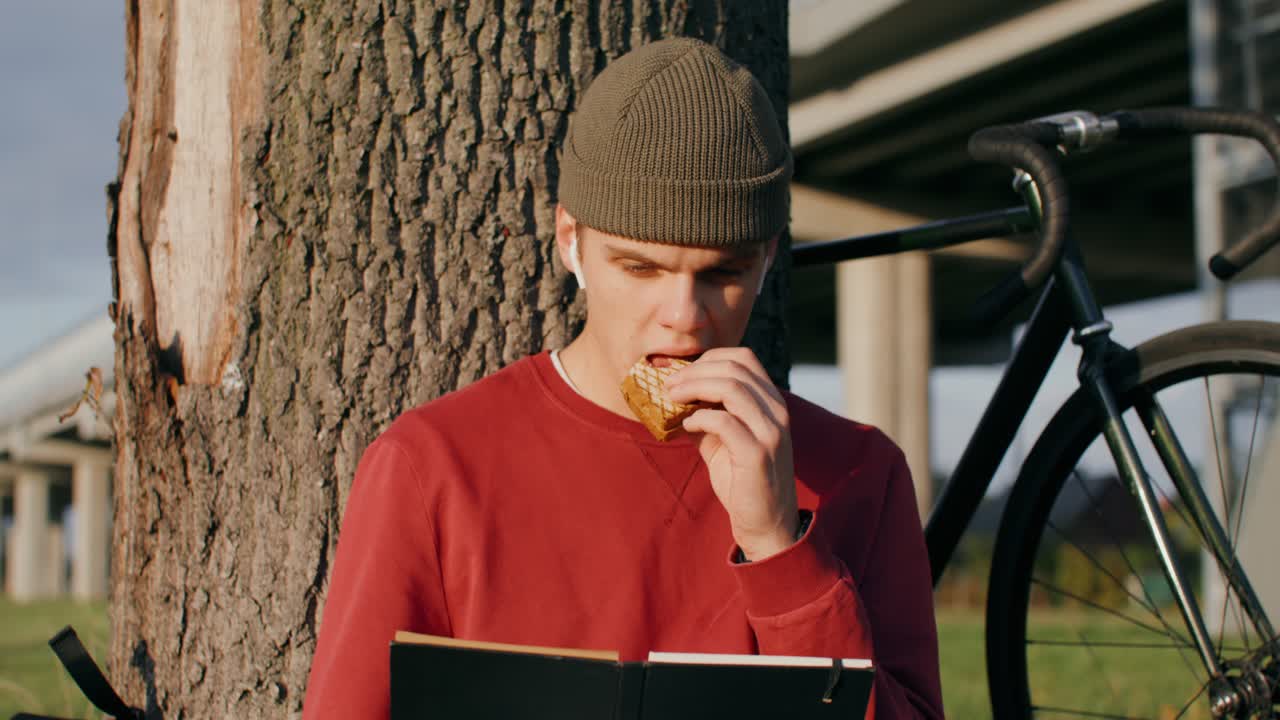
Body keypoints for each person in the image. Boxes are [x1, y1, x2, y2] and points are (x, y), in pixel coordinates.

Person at [302, 37, 943, 719]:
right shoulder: (432, 469)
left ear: (767, 259)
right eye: (640, 268)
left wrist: (780, 549)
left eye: (723, 273)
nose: (683, 316)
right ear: (569, 240)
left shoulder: (859, 473)